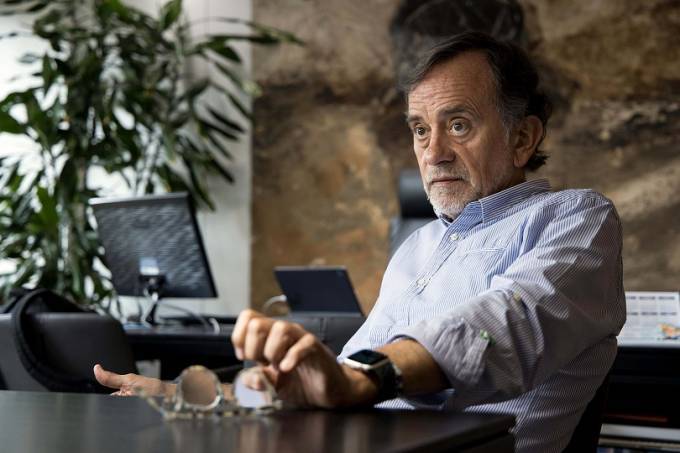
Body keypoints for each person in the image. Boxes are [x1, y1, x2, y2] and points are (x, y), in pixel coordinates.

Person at [94, 31, 625, 452]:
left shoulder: (577, 217)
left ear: (522, 138)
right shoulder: (418, 248)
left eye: (459, 125)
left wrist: (365, 378)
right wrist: (194, 397)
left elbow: (506, 325)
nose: (433, 153)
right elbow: (339, 379)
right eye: (420, 130)